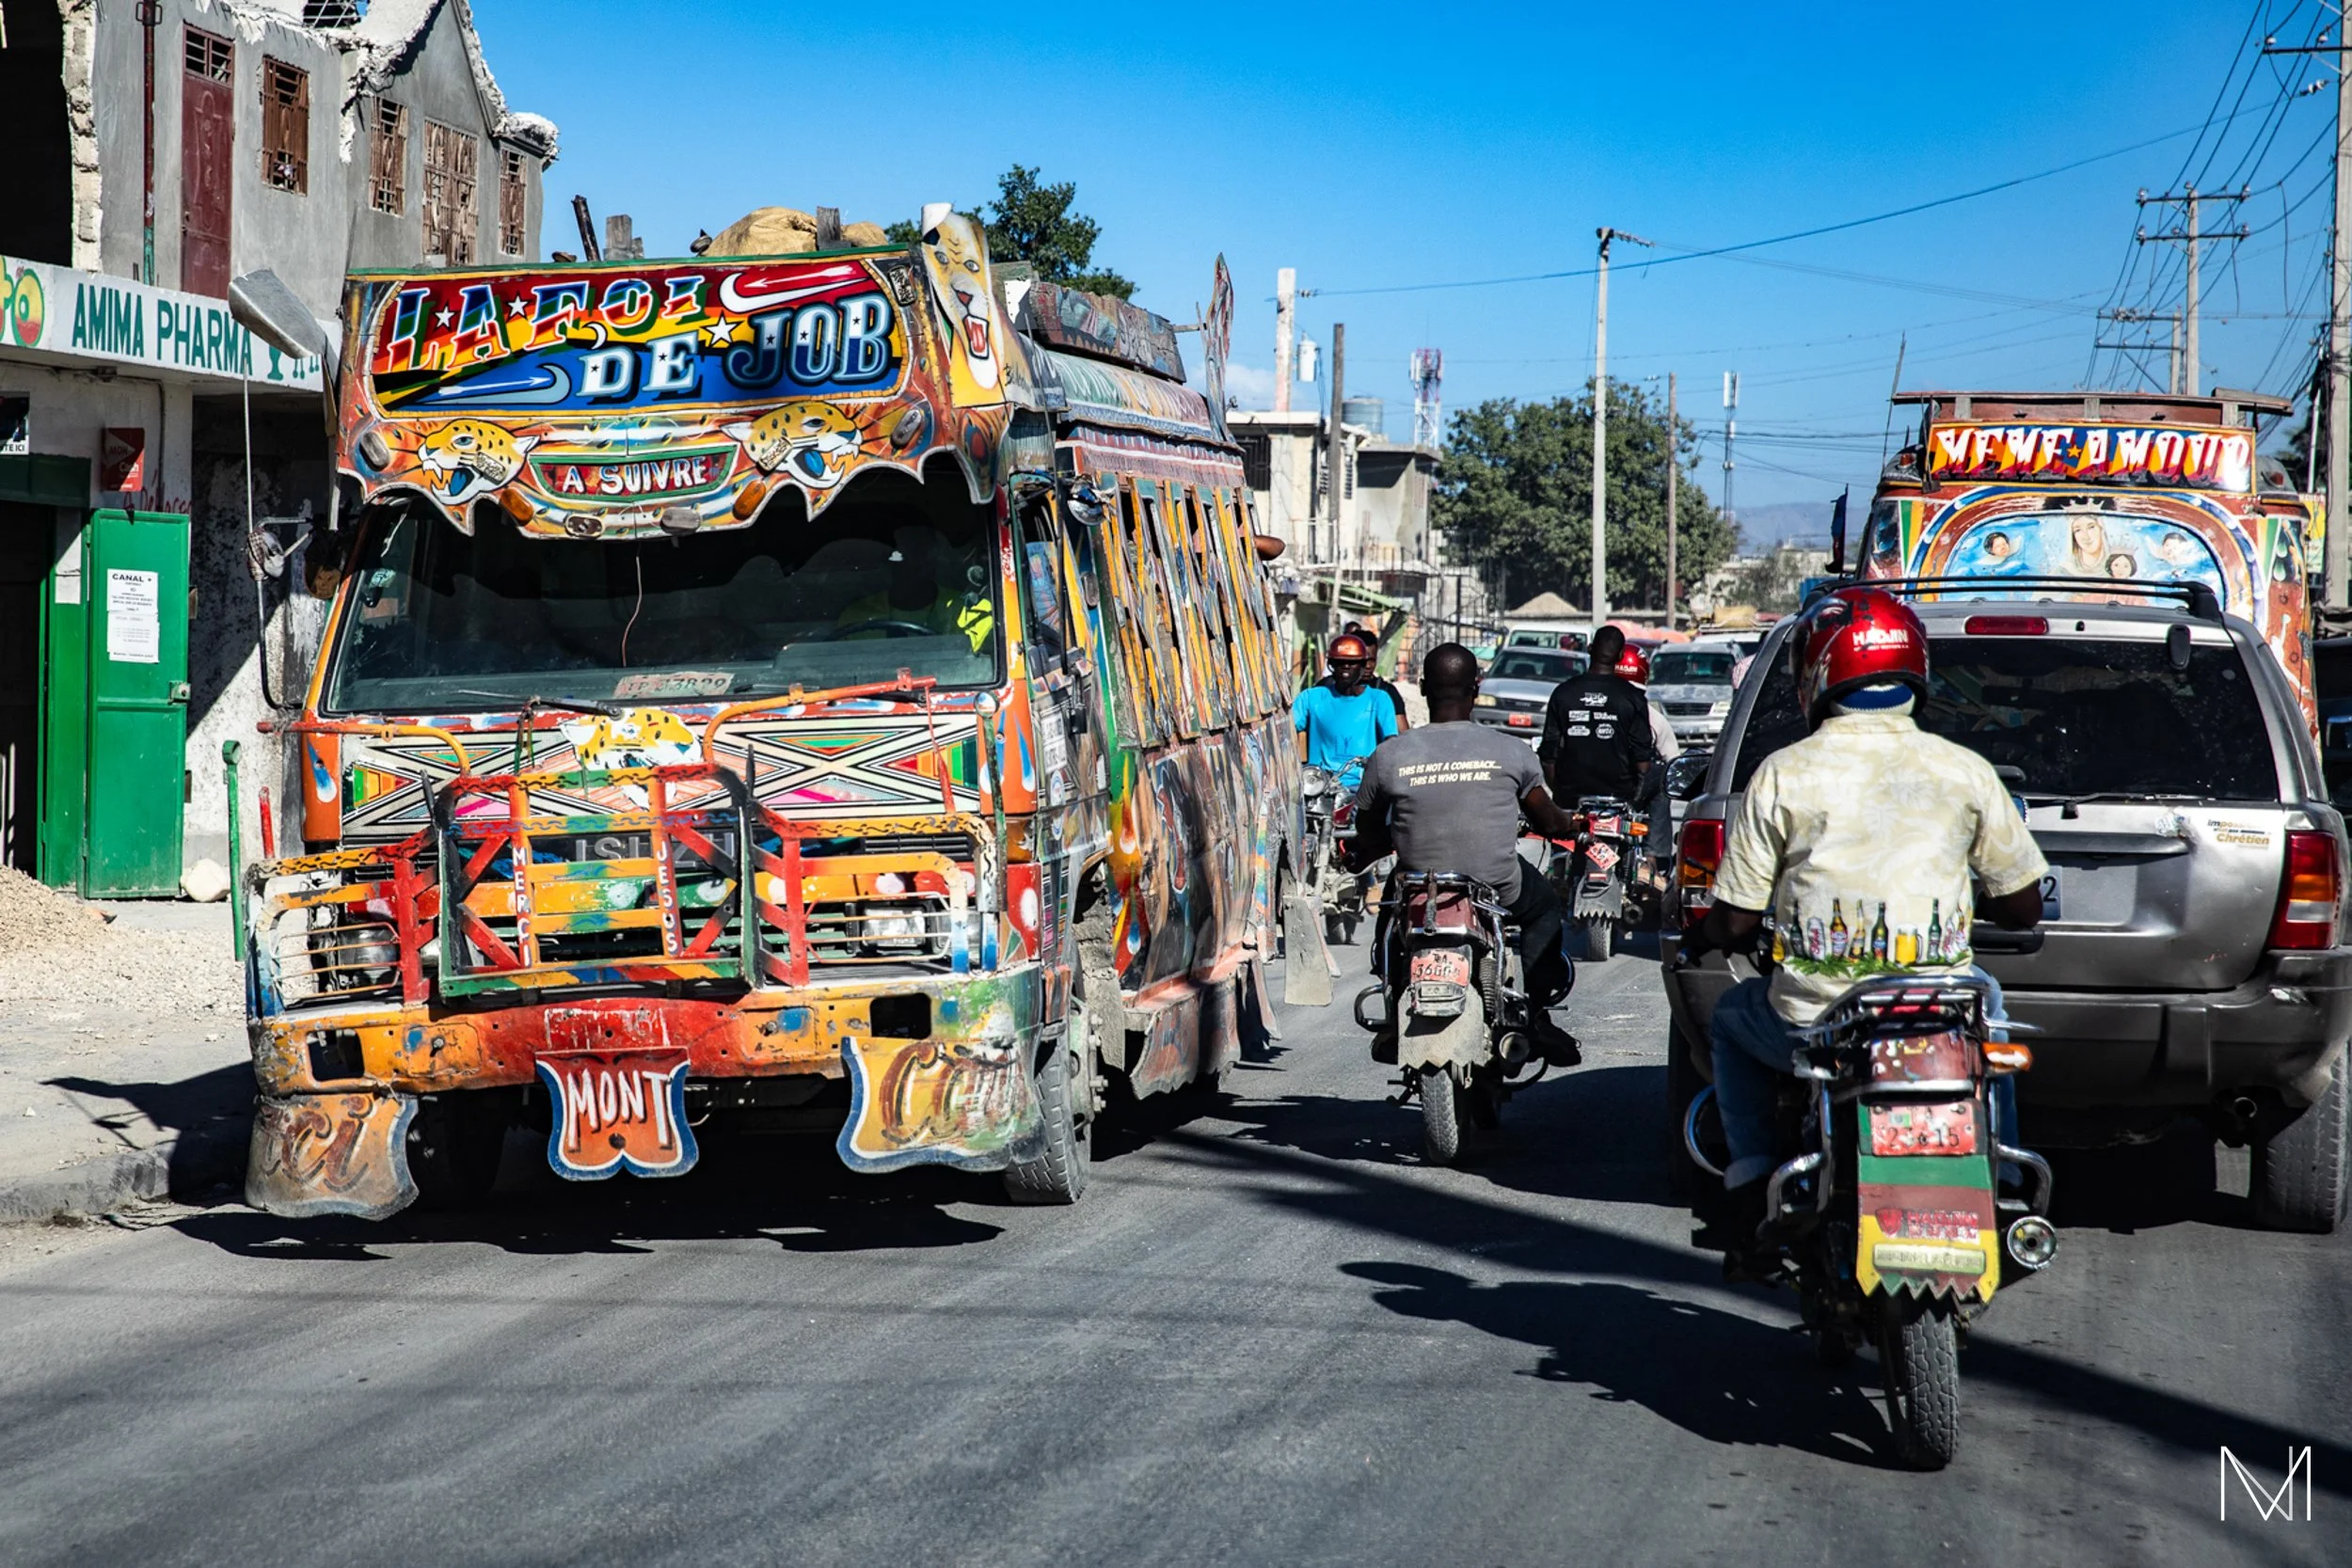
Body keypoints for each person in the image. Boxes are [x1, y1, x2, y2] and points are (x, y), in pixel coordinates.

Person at [1677, 587, 2046, 1256]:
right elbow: (2023, 905)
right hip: (1938, 1008)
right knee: (1986, 1011)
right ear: (1915, 667)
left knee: (1732, 1020)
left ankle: (1752, 1183)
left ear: (1818, 673)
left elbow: (1734, 921)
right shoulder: (1965, 770)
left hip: (1818, 1017)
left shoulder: (1784, 772)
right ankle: (2008, 1176)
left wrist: (1698, 937)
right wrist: (1965, 902)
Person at [1349, 643, 1583, 1064]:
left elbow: (1367, 834)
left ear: (1423, 688)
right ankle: (1535, 1011)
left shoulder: (1389, 756)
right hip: (1497, 884)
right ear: (1476, 689)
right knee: (1544, 908)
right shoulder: (1512, 751)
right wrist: (1571, 823)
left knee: (1390, 918)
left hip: (1419, 885)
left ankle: (1390, 1004)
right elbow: (1548, 822)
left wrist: (1384, 842)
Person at [1538, 624, 1660, 804]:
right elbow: (1643, 762)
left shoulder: (1563, 693)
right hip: (1619, 798)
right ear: (1620, 656)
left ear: (1589, 649)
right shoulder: (1633, 697)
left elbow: (1548, 756)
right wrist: (1634, 800)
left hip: (1570, 796)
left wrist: (1561, 794)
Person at [837, 526, 994, 653]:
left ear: (933, 559)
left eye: (918, 552)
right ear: (887, 564)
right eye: (900, 556)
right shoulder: (856, 618)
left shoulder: (975, 612)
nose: (910, 564)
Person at [1292, 632, 1397, 792]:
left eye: (1352, 662)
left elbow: (1391, 742)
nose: (1346, 666)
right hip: (1318, 785)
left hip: (1362, 787)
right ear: (1332, 665)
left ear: (1363, 666)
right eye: (1340, 662)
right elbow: (1285, 731)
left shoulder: (1379, 699)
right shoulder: (1311, 697)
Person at [1317, 620, 1410, 730]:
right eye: (1363, 660)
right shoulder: (1326, 688)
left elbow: (1403, 734)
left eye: (1372, 660)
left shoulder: (1386, 692)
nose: (1368, 666)